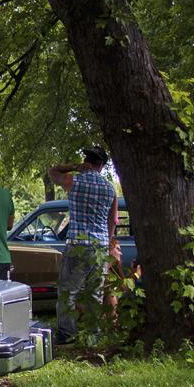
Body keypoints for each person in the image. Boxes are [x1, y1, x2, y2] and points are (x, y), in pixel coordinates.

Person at [48, 146, 119, 344]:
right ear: (102, 166)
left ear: (86, 161)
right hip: (100, 248)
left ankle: (67, 334)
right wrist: (106, 243)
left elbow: (52, 172)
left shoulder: (73, 181)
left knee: (68, 292)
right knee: (95, 294)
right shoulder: (110, 188)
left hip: (77, 245)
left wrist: (73, 167)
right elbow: (113, 221)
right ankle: (93, 335)